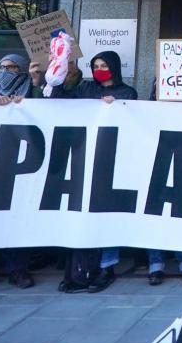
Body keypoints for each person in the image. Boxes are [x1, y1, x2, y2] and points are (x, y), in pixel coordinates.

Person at [50, 50, 137, 291]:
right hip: (83, 158)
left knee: (107, 214)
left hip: (111, 160)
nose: (99, 69)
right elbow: (61, 104)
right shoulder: (85, 89)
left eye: (104, 65)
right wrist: (54, 80)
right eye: (95, 65)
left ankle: (107, 267)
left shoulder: (127, 93)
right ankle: (80, 270)